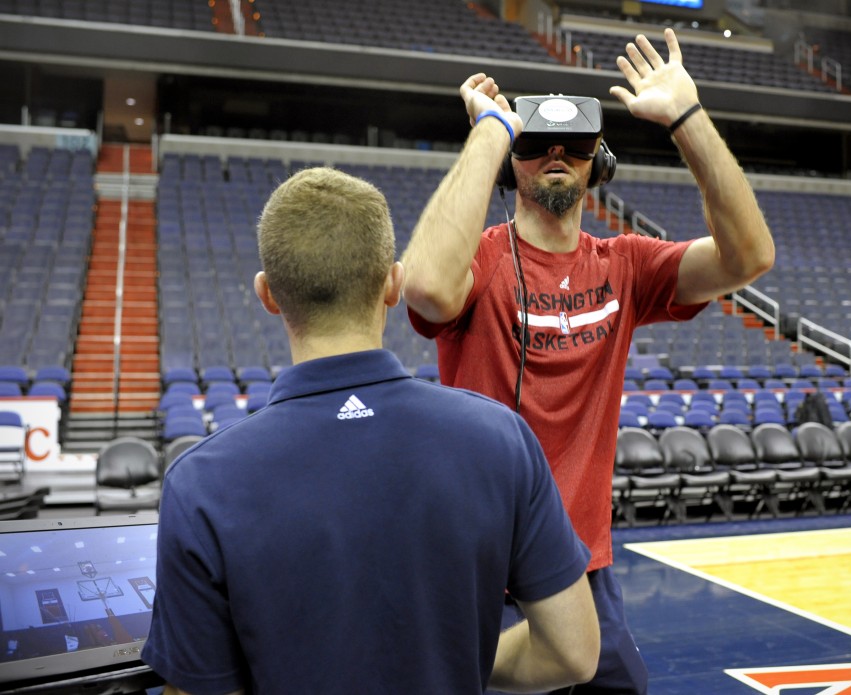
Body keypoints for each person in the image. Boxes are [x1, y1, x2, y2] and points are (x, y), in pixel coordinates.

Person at [401, 28, 774, 694]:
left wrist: (688, 118)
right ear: (512, 161)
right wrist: (488, 132)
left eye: (572, 146)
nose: (555, 155)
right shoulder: (480, 261)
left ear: (595, 163)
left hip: (584, 571)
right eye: (537, 143)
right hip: (487, 574)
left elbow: (749, 256)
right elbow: (425, 286)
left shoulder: (626, 265)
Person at [141, 167, 600, 695]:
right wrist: (458, 652)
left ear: (268, 294)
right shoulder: (501, 439)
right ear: (393, 284)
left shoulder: (201, 485)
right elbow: (573, 652)